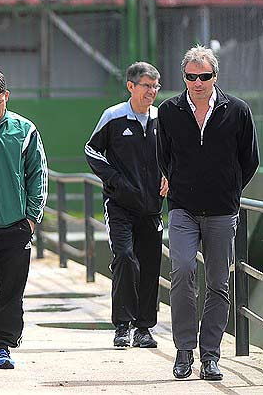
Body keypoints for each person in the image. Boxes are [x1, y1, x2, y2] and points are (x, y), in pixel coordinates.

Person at [157, 45, 259, 381]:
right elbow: (164, 156)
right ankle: (184, 349)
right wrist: (179, 184)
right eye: (191, 76)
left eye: (204, 76)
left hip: (222, 211)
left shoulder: (238, 111)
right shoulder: (169, 111)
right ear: (183, 76)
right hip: (183, 208)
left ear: (215, 76)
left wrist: (229, 190)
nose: (197, 82)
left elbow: (250, 159)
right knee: (183, 270)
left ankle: (211, 356)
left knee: (218, 283)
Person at [85, 62, 168, 349]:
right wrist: (115, 180)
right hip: (120, 206)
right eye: (146, 86)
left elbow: (175, 154)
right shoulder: (114, 117)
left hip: (152, 208)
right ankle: (122, 325)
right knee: (124, 257)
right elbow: (91, 150)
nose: (152, 92)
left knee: (150, 265)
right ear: (131, 86)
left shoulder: (162, 119)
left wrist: (170, 176)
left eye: (155, 86)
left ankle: (144, 329)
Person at [0, 67, 47, 369]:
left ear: (7, 97)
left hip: (16, 224)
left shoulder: (25, 130)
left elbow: (37, 174)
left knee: (11, 287)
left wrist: (31, 218)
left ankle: (3, 345)